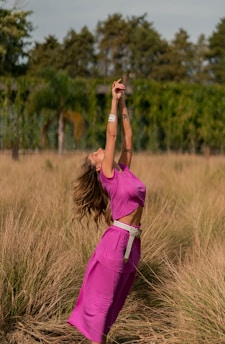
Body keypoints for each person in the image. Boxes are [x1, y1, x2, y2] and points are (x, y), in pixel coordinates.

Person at [68, 79, 146, 344]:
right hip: (116, 243)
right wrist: (112, 100)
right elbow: (112, 136)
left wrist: (123, 102)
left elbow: (128, 138)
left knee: (115, 305)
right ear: (98, 167)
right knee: (102, 305)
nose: (100, 150)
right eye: (96, 154)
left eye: (99, 150)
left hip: (133, 242)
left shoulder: (123, 169)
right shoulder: (109, 176)